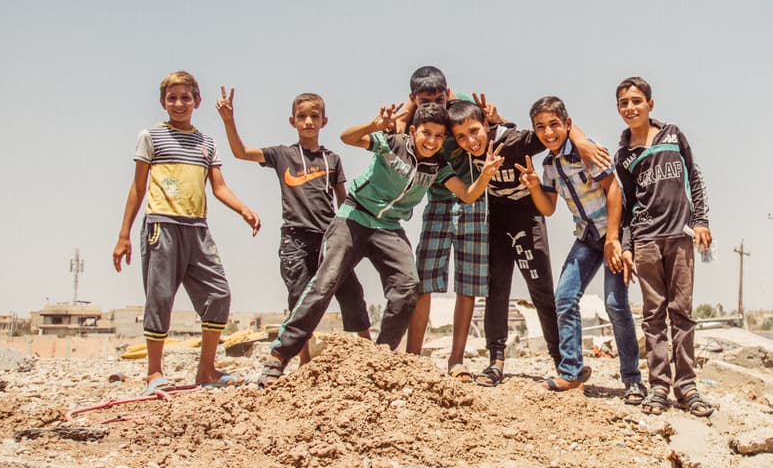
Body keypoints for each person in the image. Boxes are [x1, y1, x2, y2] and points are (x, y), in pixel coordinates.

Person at [258, 102, 502, 385]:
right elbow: (347, 138)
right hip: (354, 217)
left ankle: (381, 358)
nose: (432, 141)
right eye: (426, 133)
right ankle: (278, 357)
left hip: (389, 228)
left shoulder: (437, 166)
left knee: (407, 288)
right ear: (413, 131)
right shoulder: (391, 144)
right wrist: (373, 125)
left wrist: (485, 175)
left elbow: (468, 195)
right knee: (325, 283)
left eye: (438, 136)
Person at [112, 71, 261, 394]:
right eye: (172, 98)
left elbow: (218, 187)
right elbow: (138, 187)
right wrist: (123, 234)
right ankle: (154, 373)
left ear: (197, 101)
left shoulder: (206, 142)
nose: (179, 104)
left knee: (219, 294)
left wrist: (243, 209)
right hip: (161, 226)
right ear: (163, 102)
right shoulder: (151, 137)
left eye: (185, 97)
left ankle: (206, 369)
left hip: (198, 230)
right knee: (160, 297)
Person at [215, 87, 370, 363]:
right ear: (293, 121)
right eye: (302, 116)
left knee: (352, 292)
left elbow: (343, 201)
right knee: (300, 300)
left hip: (329, 238)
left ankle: (369, 355)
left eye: (314, 116)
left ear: (324, 121)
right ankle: (304, 362)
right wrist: (229, 120)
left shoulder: (332, 159)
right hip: (295, 240)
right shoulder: (282, 155)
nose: (308, 121)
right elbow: (241, 152)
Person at [471, 98, 610, 388]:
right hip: (495, 222)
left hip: (527, 218)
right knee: (496, 288)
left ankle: (564, 364)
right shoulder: (462, 149)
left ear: (488, 125)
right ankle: (495, 361)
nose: (470, 140)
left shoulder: (514, 142)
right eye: (461, 135)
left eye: (476, 130)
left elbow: (553, 131)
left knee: (543, 291)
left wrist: (582, 141)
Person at [515, 96, 643, 399]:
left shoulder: (588, 151)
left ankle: (633, 380)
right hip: (586, 237)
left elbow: (613, 188)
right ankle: (571, 372)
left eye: (554, 125)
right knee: (565, 298)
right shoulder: (549, 166)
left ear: (567, 125)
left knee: (615, 305)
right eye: (541, 128)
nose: (548, 133)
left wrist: (613, 239)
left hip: (612, 233)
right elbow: (547, 208)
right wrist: (533, 186)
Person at [610, 76, 713, 417]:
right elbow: (623, 207)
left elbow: (694, 179)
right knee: (653, 316)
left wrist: (701, 221)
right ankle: (658, 385)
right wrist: (627, 246)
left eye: (636, 101)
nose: (630, 108)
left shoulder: (673, 135)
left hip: (680, 236)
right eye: (624, 103)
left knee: (681, 313)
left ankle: (687, 386)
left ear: (650, 104)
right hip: (646, 241)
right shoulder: (623, 156)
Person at [398, 66, 489, 381]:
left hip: (475, 201)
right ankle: (412, 359)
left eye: (439, 98)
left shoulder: (461, 104)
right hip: (438, 200)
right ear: (414, 99)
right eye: (425, 100)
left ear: (448, 93)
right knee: (424, 281)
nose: (434, 104)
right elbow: (396, 132)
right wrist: (411, 109)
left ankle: (457, 359)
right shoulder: (414, 120)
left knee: (468, 283)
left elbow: (486, 124)